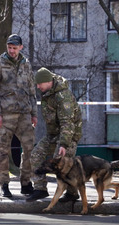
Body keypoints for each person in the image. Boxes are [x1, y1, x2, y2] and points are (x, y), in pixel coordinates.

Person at [0, 34, 38, 197]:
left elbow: (32, 90)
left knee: (30, 148)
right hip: (5, 115)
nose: (12, 51)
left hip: (24, 114)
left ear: (21, 47)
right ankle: (4, 185)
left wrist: (34, 113)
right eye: (9, 47)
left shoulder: (26, 64)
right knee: (3, 151)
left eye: (15, 48)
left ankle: (26, 183)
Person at [26, 67, 82, 202]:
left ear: (48, 81)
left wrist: (64, 144)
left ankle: (72, 193)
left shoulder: (63, 96)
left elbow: (67, 122)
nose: (38, 87)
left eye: (40, 84)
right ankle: (40, 189)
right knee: (35, 156)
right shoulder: (48, 93)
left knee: (62, 163)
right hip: (53, 135)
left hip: (68, 135)